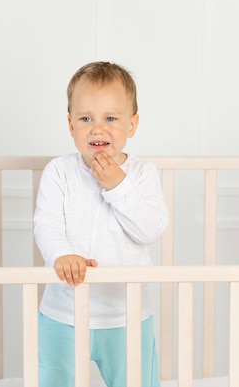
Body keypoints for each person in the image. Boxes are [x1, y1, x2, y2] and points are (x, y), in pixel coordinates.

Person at [33, 61, 168, 387]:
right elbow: (46, 223)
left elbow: (151, 229)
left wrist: (117, 185)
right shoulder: (59, 172)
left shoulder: (141, 174)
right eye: (85, 118)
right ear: (70, 125)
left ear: (132, 124)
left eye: (111, 118)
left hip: (127, 313)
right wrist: (61, 256)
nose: (97, 128)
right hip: (64, 313)